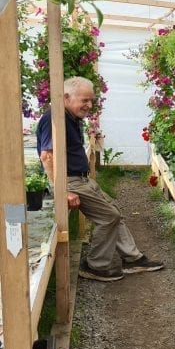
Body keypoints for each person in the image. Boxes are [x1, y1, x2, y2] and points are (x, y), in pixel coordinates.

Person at [37, 76, 164, 282]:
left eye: (91, 100)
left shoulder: (70, 118)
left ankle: (133, 259)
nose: (89, 105)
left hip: (80, 178)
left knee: (114, 211)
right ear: (66, 97)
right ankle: (95, 265)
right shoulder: (55, 119)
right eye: (84, 100)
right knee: (109, 217)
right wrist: (62, 191)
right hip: (70, 181)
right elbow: (47, 156)